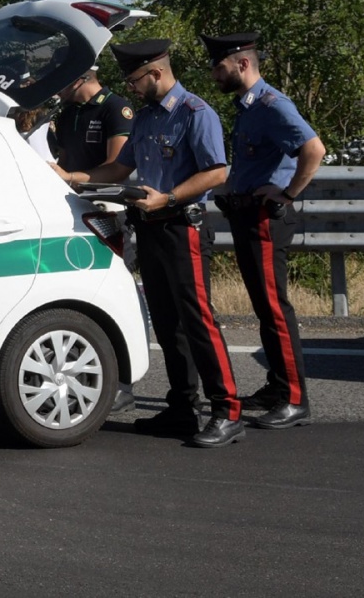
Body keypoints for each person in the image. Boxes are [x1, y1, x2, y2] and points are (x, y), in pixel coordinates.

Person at [55, 39, 244, 448]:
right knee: (167, 322)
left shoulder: (196, 113)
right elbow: (120, 168)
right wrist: (68, 177)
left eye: (135, 79)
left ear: (156, 73)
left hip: (183, 226)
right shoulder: (143, 118)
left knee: (198, 321)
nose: (131, 87)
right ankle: (182, 407)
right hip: (151, 225)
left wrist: (171, 197)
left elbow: (216, 173)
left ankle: (227, 409)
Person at [204, 32, 325, 431]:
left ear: (243, 64)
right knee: (264, 308)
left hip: (265, 219)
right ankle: (277, 386)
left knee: (275, 310)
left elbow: (314, 149)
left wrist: (287, 194)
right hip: (246, 215)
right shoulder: (247, 106)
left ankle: (294, 398)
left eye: (219, 68)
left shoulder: (272, 105)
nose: (214, 75)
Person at [53, 65, 137, 413]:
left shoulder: (115, 108)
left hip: (107, 211)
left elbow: (118, 166)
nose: (56, 90)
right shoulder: (68, 112)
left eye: (61, 81)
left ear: (80, 77)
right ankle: (88, 378)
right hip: (72, 210)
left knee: (111, 296)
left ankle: (122, 382)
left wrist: (70, 178)